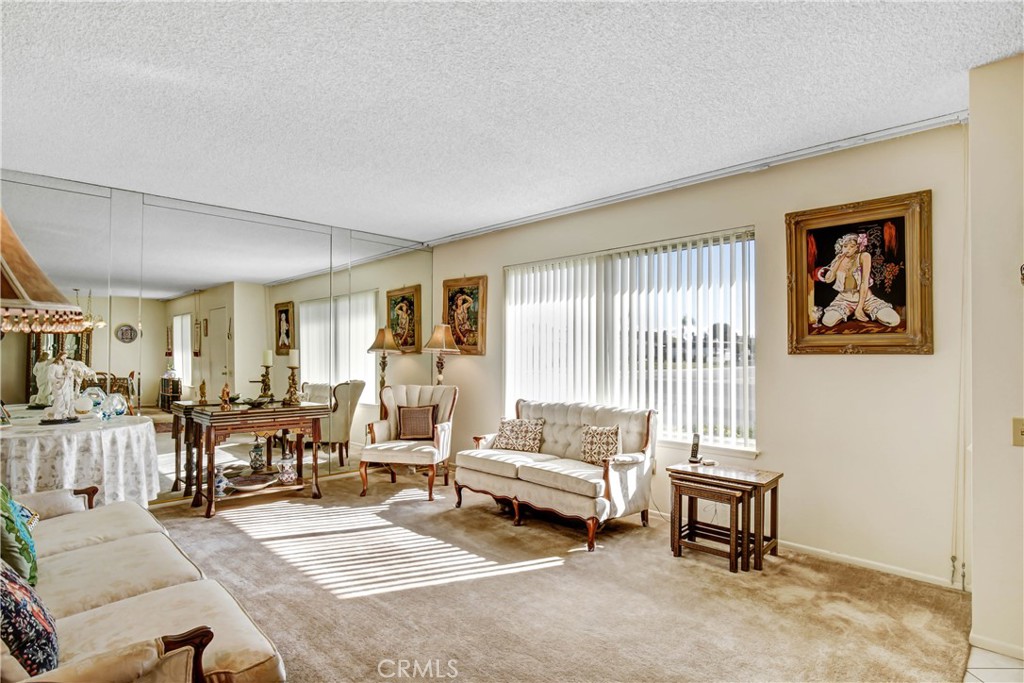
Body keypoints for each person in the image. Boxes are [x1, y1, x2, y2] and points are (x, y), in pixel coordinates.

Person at [814, 232, 900, 327]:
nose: (848, 249)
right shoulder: (838, 259)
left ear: (857, 248)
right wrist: (837, 262)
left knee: (894, 320)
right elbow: (828, 279)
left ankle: (865, 312)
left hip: (866, 299)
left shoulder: (864, 256)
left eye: (852, 246)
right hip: (843, 300)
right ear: (841, 247)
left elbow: (864, 282)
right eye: (845, 246)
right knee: (828, 321)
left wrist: (859, 307)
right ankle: (849, 314)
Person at [47, 351, 75, 420]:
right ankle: (58, 414)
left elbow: (69, 374)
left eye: (66, 357)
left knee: (67, 399)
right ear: (60, 356)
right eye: (64, 356)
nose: (65, 358)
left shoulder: (64, 366)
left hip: (65, 384)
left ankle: (64, 413)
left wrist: (69, 369)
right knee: (59, 400)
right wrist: (57, 381)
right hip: (59, 385)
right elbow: (50, 376)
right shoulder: (53, 366)